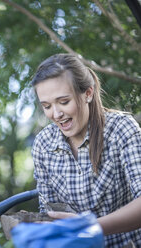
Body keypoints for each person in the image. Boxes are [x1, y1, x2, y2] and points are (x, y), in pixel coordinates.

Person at [30, 53, 141, 247]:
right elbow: (51, 213)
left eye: (64, 102)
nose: (56, 114)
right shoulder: (43, 145)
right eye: (47, 106)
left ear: (88, 93)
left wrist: (90, 226)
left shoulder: (121, 129)